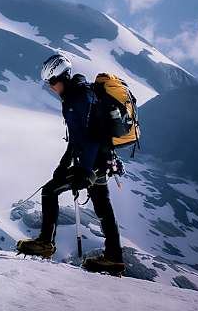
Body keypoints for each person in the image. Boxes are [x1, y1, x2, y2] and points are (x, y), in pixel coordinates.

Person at [16, 53, 125, 275]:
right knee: (103, 207)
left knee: (49, 191)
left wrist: (85, 171)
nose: (51, 87)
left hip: (93, 164)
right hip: (99, 161)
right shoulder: (76, 96)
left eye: (52, 81)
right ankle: (114, 257)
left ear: (63, 77)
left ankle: (46, 243)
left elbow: (91, 137)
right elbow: (76, 139)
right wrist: (63, 165)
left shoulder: (80, 98)